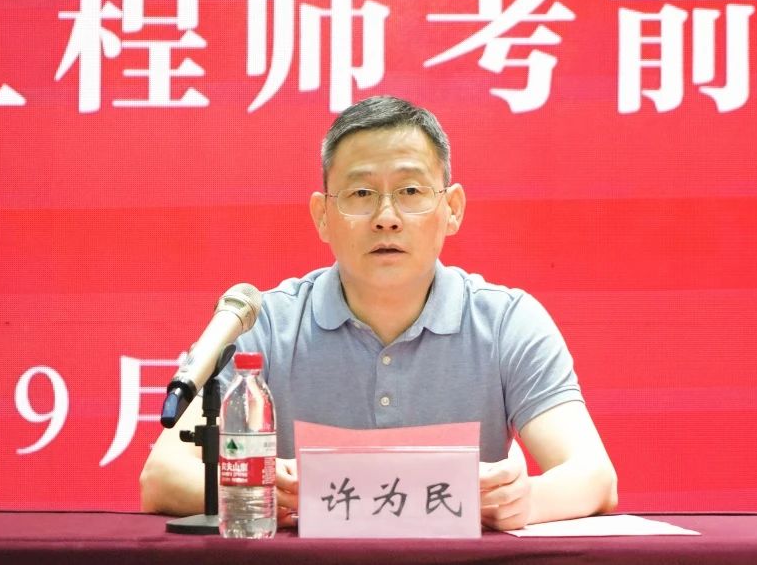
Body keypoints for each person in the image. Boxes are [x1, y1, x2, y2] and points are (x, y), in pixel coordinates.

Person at [140, 95, 617, 530]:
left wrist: (523, 501)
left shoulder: (508, 322)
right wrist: (265, 493)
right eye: (361, 194)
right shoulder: (264, 325)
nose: (386, 217)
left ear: (452, 208)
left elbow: (593, 476)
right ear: (322, 216)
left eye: (410, 191)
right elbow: (162, 476)